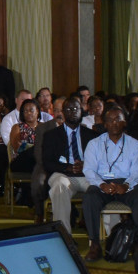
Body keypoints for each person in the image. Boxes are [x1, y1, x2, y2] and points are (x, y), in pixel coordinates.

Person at [81, 107, 138, 260]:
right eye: (110, 120)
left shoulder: (135, 144)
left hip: (126, 184)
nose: (114, 123)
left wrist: (126, 185)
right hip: (102, 183)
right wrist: (101, 185)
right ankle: (95, 244)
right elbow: (89, 170)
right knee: (90, 198)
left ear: (124, 122)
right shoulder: (94, 144)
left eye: (118, 119)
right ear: (105, 124)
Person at [43, 98, 97, 235]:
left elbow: (101, 161)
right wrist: (67, 167)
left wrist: (86, 165)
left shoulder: (92, 135)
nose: (72, 112)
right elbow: (47, 162)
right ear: (63, 112)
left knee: (102, 187)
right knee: (59, 186)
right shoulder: (51, 135)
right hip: (63, 174)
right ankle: (65, 236)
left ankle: (112, 236)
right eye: (68, 109)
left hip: (87, 175)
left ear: (81, 111)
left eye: (75, 109)